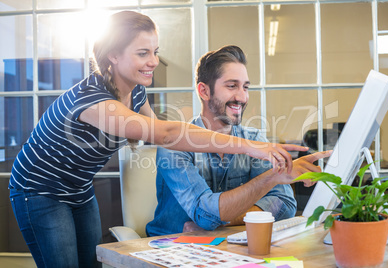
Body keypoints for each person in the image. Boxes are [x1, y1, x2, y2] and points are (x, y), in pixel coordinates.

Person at [8, 12, 307, 268]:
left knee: (89, 263)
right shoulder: (95, 102)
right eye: (143, 53)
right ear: (114, 55)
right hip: (39, 189)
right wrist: (255, 147)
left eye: (155, 51)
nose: (153, 61)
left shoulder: (136, 90)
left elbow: (159, 133)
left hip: (79, 187)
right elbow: (167, 134)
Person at [146, 45, 331, 236]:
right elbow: (204, 214)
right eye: (232, 86)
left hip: (228, 245)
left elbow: (284, 204)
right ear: (204, 91)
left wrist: (224, 222)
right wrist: (272, 178)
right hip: (171, 249)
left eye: (245, 87)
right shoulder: (175, 145)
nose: (242, 97)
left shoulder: (254, 139)